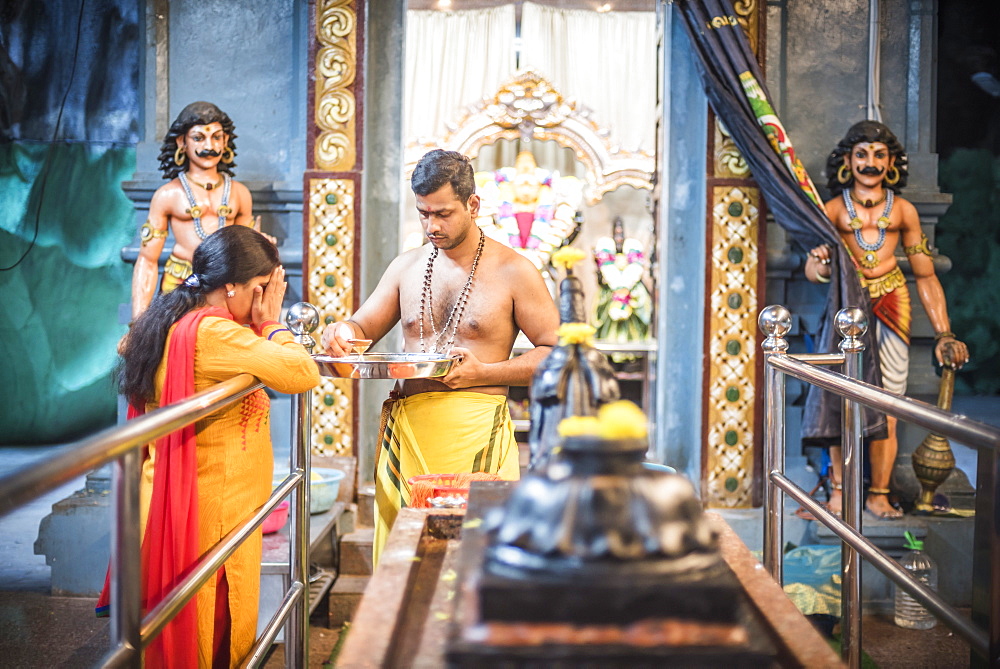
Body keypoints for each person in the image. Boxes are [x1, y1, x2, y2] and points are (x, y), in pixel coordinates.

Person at [319, 149, 560, 564]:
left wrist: (484, 372)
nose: (432, 225)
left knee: (470, 561)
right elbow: (362, 329)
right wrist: (341, 332)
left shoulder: (514, 271)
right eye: (423, 213)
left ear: (473, 205)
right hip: (408, 433)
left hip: (475, 435)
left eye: (444, 214)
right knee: (401, 560)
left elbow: (559, 358)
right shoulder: (405, 267)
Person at [110, 225, 320, 667]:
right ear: (231, 287)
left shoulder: (171, 316)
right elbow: (302, 372)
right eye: (259, 289)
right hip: (208, 513)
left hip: (202, 503)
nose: (262, 299)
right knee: (210, 626)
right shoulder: (217, 334)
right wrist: (270, 323)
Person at [805, 120, 968, 519]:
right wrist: (823, 263)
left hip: (893, 302)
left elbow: (926, 274)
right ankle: (841, 491)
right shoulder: (833, 210)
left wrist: (945, 331)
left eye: (879, 154)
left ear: (892, 163)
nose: (870, 163)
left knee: (890, 403)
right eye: (861, 154)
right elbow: (811, 270)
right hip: (848, 304)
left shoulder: (905, 211)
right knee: (840, 397)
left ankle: (878, 492)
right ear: (847, 160)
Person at [131, 101, 255, 320]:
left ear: (225, 140)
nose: (210, 145)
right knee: (174, 346)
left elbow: (245, 257)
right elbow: (147, 260)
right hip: (179, 283)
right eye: (199, 138)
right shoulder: (167, 195)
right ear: (182, 142)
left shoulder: (239, 194)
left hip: (224, 285)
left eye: (216, 137)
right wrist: (137, 322)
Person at [475, 149, 582, 285]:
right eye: (521, 185)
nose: (526, 189)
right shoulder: (498, 210)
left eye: (530, 185)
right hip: (503, 271)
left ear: (539, 188)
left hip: (541, 271)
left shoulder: (548, 210)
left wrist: (539, 258)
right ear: (512, 187)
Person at [593, 216, 652, 343]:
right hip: (611, 290)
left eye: (621, 231)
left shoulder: (632, 247)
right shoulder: (605, 248)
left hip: (631, 290)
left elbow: (637, 269)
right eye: (616, 231)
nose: (619, 235)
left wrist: (626, 287)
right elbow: (602, 272)